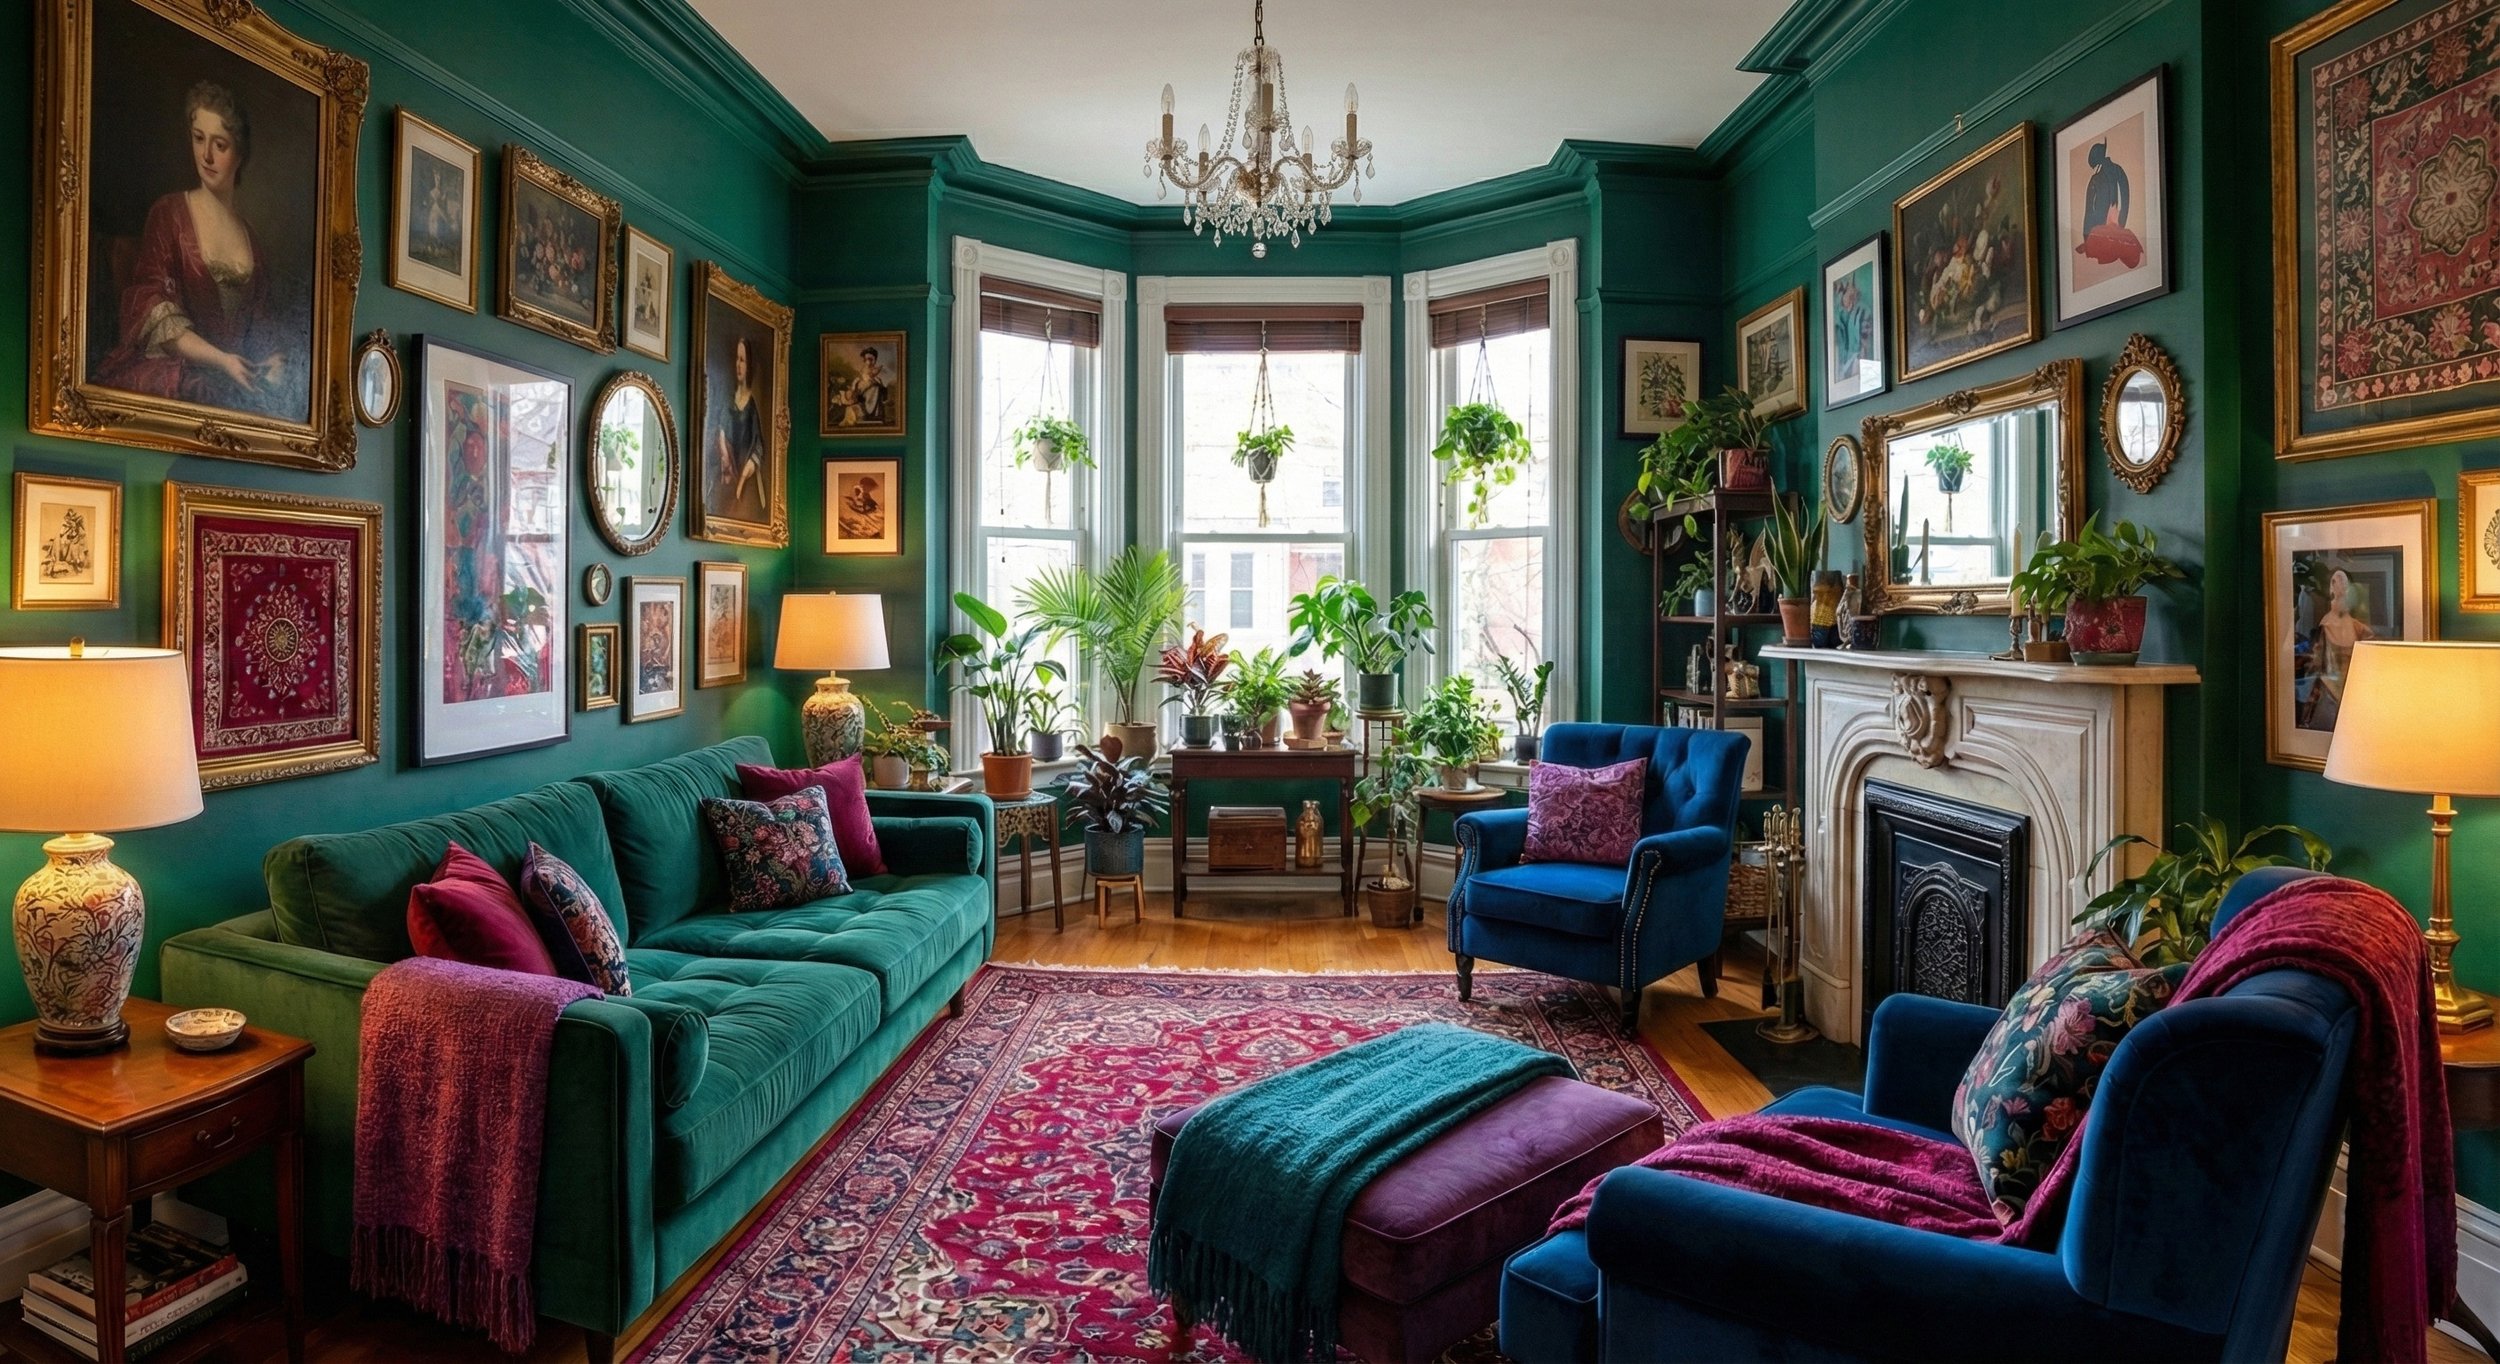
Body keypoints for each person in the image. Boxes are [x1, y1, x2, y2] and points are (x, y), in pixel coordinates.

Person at [93, 81, 299, 419]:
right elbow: (151, 305)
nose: (206, 156)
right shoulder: (169, 213)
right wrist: (221, 360)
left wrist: (274, 360)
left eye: (220, 144)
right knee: (204, 393)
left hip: (233, 376)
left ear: (240, 153)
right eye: (198, 138)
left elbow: (259, 323)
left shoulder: (252, 239)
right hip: (180, 372)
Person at [2299, 566, 2374, 731]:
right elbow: (2316, 664)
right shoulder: (2324, 627)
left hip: (2355, 694)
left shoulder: (2360, 629)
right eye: (2334, 582)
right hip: (2328, 696)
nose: (2337, 586)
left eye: (2342, 582)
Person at [711, 337, 766, 522]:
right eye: (737, 359)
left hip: (744, 479)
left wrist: (744, 475)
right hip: (725, 474)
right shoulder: (727, 399)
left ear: (748, 365)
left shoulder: (752, 405)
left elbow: (758, 444)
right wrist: (724, 452)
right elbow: (719, 429)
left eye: (742, 360)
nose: (738, 365)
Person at [2076, 140, 2144, 269]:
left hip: (2106, 226)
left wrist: (2087, 236)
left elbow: (2090, 209)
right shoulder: (2118, 171)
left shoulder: (2097, 178)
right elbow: (2125, 198)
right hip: (2112, 224)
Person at [833, 346, 892, 428]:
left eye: (871, 359)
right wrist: (857, 385)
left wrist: (876, 384)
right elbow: (858, 389)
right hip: (862, 394)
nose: (869, 362)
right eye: (867, 359)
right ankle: (868, 411)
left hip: (871, 394)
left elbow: (880, 388)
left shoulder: (877, 377)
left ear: (875, 359)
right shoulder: (862, 374)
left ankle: (874, 413)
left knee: (876, 387)